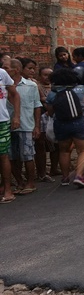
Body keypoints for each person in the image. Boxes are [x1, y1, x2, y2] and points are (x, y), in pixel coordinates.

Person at [45, 68, 84, 188]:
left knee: (64, 151)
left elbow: (51, 112)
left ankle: (65, 178)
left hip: (61, 124)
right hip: (81, 123)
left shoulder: (52, 93)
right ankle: (79, 176)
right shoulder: (83, 89)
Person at [7, 58, 41, 196]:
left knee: (27, 156)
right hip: (7, 126)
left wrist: (37, 126)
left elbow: (37, 106)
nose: (4, 70)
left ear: (16, 70)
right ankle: (20, 181)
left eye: (7, 68)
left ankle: (30, 182)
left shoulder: (30, 85)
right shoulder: (4, 85)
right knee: (11, 157)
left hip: (26, 125)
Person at [0, 63, 20, 204]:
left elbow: (14, 94)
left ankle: (8, 189)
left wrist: (16, 116)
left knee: (3, 155)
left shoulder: (2, 73)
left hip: (1, 120)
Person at [34, 66, 58, 182]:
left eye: (50, 75)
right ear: (40, 76)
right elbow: (42, 100)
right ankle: (42, 172)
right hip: (43, 117)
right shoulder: (37, 86)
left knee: (56, 145)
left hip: (54, 117)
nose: (48, 77)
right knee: (41, 145)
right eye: (45, 75)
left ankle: (54, 168)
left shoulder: (55, 86)